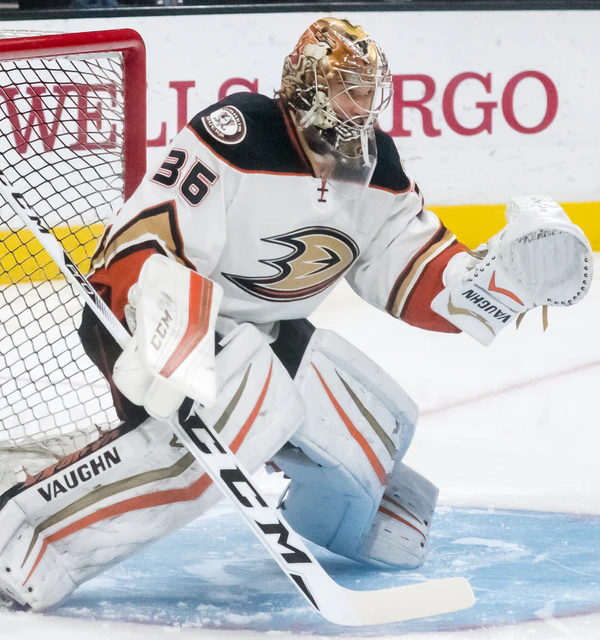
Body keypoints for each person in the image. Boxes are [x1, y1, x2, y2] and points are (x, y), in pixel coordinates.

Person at [0, 17, 591, 611]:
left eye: (369, 90)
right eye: (348, 89)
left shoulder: (378, 167)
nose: (362, 105)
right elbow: (147, 238)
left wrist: (501, 282)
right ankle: (31, 529)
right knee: (249, 399)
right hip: (148, 316)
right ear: (308, 86)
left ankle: (338, 518)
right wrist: (165, 328)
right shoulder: (238, 135)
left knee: (374, 422)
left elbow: (414, 273)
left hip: (259, 333)